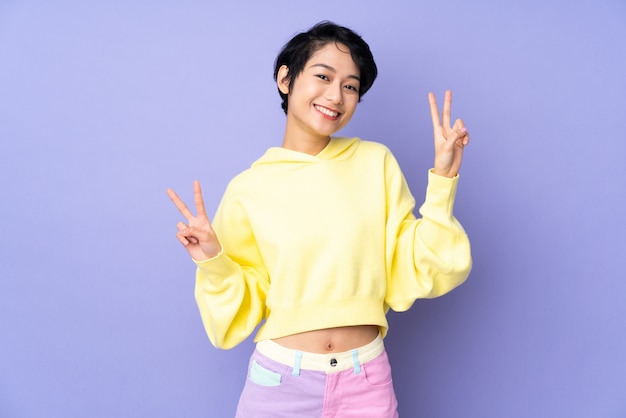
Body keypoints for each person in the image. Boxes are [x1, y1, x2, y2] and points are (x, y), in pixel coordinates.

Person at [167, 21, 471, 418]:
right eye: (323, 76)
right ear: (286, 79)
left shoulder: (374, 162)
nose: (336, 95)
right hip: (280, 385)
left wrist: (443, 179)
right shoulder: (249, 188)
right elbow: (239, 311)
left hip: (366, 381)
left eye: (350, 85)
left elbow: (420, 263)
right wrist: (213, 261)